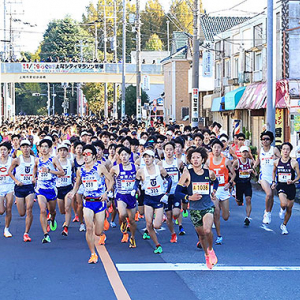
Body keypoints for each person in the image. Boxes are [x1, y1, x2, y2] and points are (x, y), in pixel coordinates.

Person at [67, 144, 114, 264]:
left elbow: (111, 180)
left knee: (98, 231)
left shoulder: (100, 168)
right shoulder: (80, 170)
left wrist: (106, 193)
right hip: (87, 201)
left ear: (93, 156)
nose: (86, 156)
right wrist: (73, 192)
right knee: (89, 228)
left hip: (100, 202)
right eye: (84, 154)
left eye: (88, 154)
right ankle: (93, 254)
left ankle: (102, 233)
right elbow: (77, 185)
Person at [175, 147, 219, 269]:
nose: (195, 160)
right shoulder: (187, 174)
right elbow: (177, 192)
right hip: (194, 209)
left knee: (207, 230)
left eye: (198, 158)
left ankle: (211, 250)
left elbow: (216, 181)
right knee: (201, 235)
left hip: (207, 207)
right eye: (193, 158)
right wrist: (189, 197)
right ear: (189, 160)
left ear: (203, 159)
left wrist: (214, 191)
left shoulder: (208, 172)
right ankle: (206, 255)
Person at [131, 149, 172, 254]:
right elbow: (136, 181)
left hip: (159, 198)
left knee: (157, 225)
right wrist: (134, 189)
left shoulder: (160, 169)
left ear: (153, 158)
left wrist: (166, 193)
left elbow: (169, 179)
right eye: (145, 157)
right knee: (149, 224)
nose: (147, 159)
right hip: (148, 198)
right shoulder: (141, 171)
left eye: (149, 157)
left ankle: (161, 216)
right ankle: (157, 245)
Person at [33, 138, 65, 243]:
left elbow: (62, 172)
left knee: (52, 210)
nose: (44, 149)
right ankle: (46, 234)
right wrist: (33, 177)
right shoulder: (37, 160)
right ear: (39, 148)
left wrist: (50, 171)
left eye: (46, 147)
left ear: (50, 148)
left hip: (51, 189)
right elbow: (35, 169)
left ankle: (52, 218)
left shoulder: (54, 159)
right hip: (40, 188)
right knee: (42, 210)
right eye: (42, 147)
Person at [207, 139, 234, 245]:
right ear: (212, 149)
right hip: (214, 189)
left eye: (219, 147)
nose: (217, 149)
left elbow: (234, 174)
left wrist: (230, 183)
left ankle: (226, 211)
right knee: (216, 212)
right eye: (215, 147)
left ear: (222, 149)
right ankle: (219, 235)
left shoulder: (226, 160)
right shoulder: (208, 161)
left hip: (224, 189)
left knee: (225, 217)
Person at [8, 140, 35, 241]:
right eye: (23, 147)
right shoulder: (17, 160)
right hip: (19, 187)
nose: (26, 149)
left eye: (27, 146)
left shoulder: (34, 159)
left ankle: (26, 233)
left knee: (29, 209)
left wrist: (34, 177)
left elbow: (39, 169)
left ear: (30, 148)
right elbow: (9, 172)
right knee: (22, 213)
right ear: (21, 148)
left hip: (29, 187)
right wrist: (16, 181)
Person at [110, 147, 137, 248]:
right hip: (121, 195)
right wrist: (109, 188)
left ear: (129, 155)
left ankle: (133, 237)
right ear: (119, 157)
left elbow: (140, 178)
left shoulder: (135, 167)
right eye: (122, 155)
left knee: (132, 220)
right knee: (122, 214)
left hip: (132, 196)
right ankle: (124, 223)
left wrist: (137, 187)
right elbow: (109, 177)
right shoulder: (116, 168)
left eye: (126, 154)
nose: (124, 157)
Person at [271, 142, 300, 234]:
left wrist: (293, 181)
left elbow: (299, 176)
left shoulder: (294, 163)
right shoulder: (276, 162)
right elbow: (273, 172)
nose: (285, 151)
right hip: (281, 185)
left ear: (290, 151)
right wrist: (273, 182)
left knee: (289, 208)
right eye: (283, 149)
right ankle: (282, 209)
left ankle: (284, 225)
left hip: (290, 186)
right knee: (284, 204)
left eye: (287, 149)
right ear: (281, 150)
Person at [158, 141, 183, 243]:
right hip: (166, 193)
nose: (169, 152)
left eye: (171, 149)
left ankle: (175, 217)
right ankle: (173, 233)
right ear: (164, 151)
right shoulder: (160, 164)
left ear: (174, 150)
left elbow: (184, 173)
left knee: (176, 213)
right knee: (168, 216)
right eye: (167, 150)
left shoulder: (179, 162)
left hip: (176, 191)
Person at [253, 131, 280, 224]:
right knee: (268, 194)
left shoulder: (274, 150)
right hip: (263, 176)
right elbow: (258, 160)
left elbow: (281, 160)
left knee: (271, 197)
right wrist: (253, 167)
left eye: (267, 139)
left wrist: (275, 159)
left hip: (272, 176)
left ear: (271, 140)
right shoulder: (260, 150)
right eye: (263, 139)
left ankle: (268, 212)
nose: (265, 141)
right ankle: (267, 212)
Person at [232, 146, 256, 226]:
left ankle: (247, 217)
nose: (245, 153)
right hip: (239, 183)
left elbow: (255, 167)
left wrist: (253, 170)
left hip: (247, 183)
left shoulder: (250, 161)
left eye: (246, 152)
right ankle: (237, 198)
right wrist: (233, 180)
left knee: (248, 199)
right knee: (239, 202)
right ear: (240, 153)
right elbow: (231, 171)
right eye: (243, 152)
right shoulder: (237, 162)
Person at [56, 143, 74, 236]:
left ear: (67, 152)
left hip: (68, 187)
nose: (63, 152)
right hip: (59, 188)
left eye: (64, 150)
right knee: (62, 210)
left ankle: (66, 227)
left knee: (67, 208)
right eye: (61, 150)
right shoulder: (55, 162)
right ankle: (52, 214)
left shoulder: (70, 162)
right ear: (58, 152)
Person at [0, 142, 15, 237]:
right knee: (1, 211)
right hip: (0, 186)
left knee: (9, 209)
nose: (2, 152)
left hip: (10, 185)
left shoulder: (12, 161)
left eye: (4, 150)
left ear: (9, 151)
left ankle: (7, 229)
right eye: (1, 150)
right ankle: (3, 203)